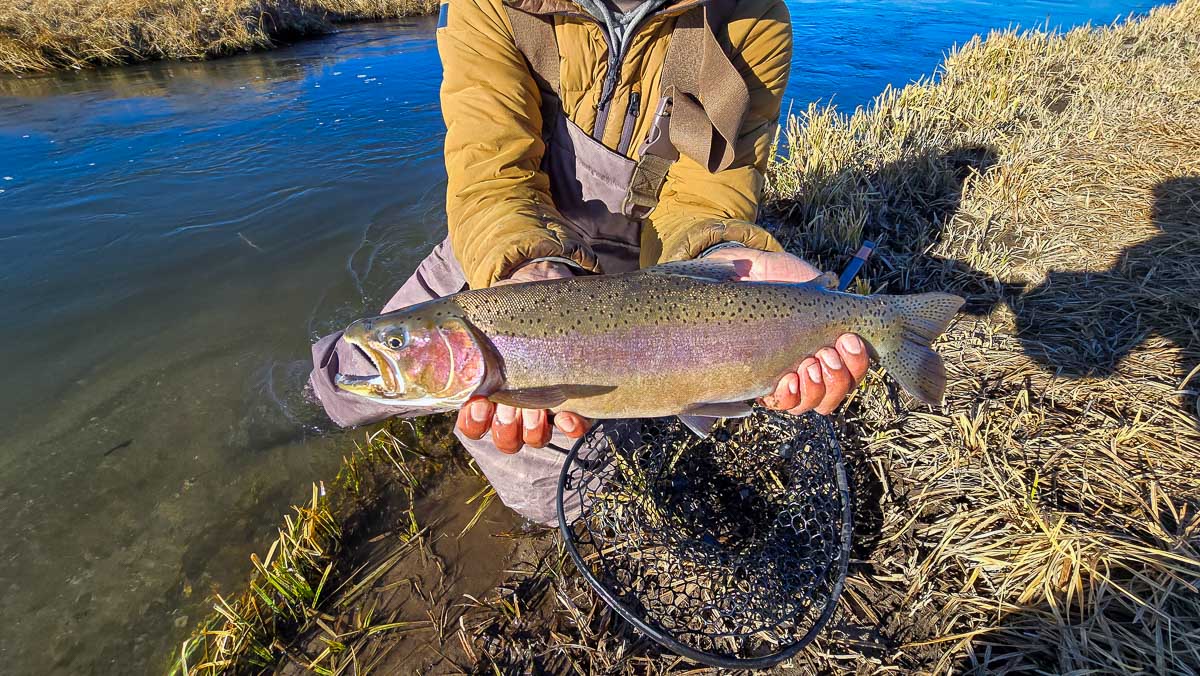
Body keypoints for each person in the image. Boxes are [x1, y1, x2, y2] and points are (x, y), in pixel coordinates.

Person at [309, 0, 869, 524]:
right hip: (512, 247)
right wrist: (529, 268)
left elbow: (706, 194)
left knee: (555, 495)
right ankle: (304, 436)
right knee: (342, 374)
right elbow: (491, 173)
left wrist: (722, 258)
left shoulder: (748, 16)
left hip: (649, 264)